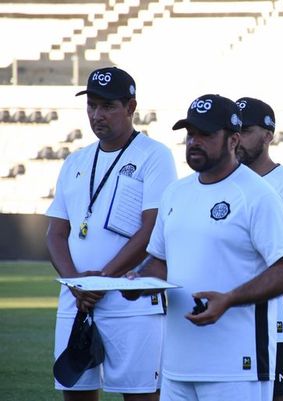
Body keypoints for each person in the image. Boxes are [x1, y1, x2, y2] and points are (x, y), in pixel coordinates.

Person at [124, 94, 283, 401]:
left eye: (206, 134)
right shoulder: (175, 193)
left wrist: (230, 299)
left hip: (236, 366)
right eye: (190, 134)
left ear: (233, 140)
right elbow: (159, 262)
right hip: (177, 365)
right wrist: (137, 281)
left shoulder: (258, 195)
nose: (194, 142)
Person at [46, 66, 178, 401]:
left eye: (108, 106)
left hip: (131, 301)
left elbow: (151, 230)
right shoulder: (75, 160)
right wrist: (77, 282)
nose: (96, 115)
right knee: (75, 391)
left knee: (139, 395)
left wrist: (101, 280)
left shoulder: (154, 155)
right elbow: (56, 233)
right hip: (77, 300)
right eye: (91, 105)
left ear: (131, 107)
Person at [235, 97, 283, 401]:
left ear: (268, 135)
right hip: (229, 314)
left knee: (281, 396)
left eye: (247, 130)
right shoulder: (227, 181)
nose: (238, 138)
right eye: (235, 129)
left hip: (274, 319)